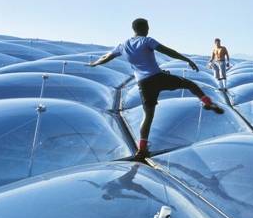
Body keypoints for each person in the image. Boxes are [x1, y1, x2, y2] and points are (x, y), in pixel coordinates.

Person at [89, 18, 224, 161]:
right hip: (157, 77)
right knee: (190, 85)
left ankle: (141, 150)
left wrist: (95, 63)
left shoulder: (123, 45)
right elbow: (167, 51)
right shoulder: (146, 41)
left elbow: (107, 57)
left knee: (148, 116)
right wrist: (187, 60)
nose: (148, 30)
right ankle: (207, 102)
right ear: (144, 28)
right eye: (147, 27)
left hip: (143, 84)